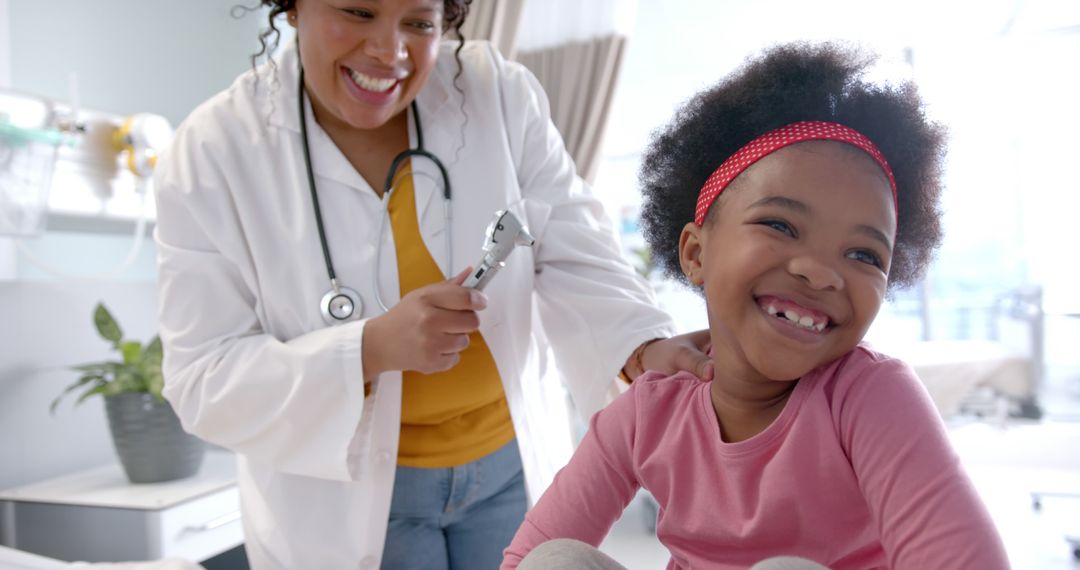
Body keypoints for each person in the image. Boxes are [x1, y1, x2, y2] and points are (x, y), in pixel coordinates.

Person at [152, 1, 712, 569]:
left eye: (418, 23)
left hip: (508, 470)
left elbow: (577, 251)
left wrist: (642, 349)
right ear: (293, 8)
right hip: (352, 496)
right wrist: (367, 350)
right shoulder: (211, 152)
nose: (390, 52)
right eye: (358, 11)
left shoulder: (495, 92)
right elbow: (201, 379)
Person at [501, 42, 1011, 570]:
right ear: (697, 253)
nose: (820, 271)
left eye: (863, 254)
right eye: (780, 225)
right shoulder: (646, 415)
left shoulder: (868, 397)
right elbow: (523, 559)